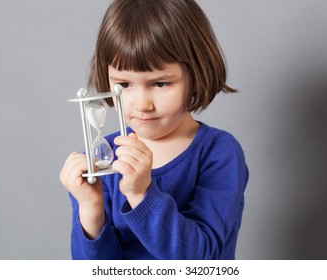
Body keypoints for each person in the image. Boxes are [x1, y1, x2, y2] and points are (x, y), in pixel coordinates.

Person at [60, 0, 248, 260]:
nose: (142, 105)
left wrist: (141, 194)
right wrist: (90, 208)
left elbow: (203, 260)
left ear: (196, 76)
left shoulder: (218, 153)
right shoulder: (105, 160)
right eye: (123, 84)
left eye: (160, 83)